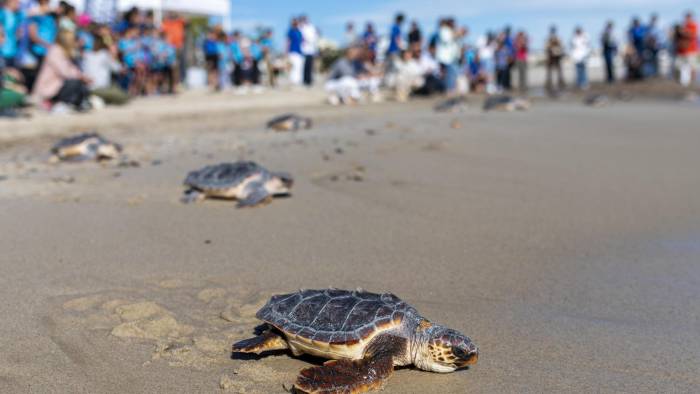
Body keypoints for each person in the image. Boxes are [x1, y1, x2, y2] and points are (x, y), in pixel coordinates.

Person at [33, 29, 91, 112]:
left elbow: (72, 69)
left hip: (58, 86)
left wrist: (83, 77)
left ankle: (78, 103)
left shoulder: (65, 52)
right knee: (74, 82)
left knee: (81, 83)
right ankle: (60, 104)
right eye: (75, 40)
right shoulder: (55, 51)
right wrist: (81, 77)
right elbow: (65, 72)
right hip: (49, 89)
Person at [82, 33, 128, 105]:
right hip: (100, 88)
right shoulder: (104, 54)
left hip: (88, 87)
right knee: (124, 97)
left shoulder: (87, 54)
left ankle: (99, 99)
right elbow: (118, 69)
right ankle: (100, 99)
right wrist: (114, 56)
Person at [436, 18, 459, 94]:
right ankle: (448, 90)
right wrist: (457, 34)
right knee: (448, 74)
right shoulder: (444, 30)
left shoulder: (449, 31)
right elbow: (447, 40)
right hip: (446, 57)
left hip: (450, 57)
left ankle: (449, 89)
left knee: (450, 74)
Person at [1, 0, 23, 69]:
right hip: (3, 52)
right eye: (16, 2)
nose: (18, 4)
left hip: (12, 51)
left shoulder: (17, 15)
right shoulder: (2, 14)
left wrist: (18, 33)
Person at [677, 11, 698, 86]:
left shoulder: (693, 25)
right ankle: (684, 83)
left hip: (691, 50)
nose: (687, 19)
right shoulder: (683, 26)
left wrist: (684, 31)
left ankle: (693, 83)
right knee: (681, 67)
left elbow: (693, 35)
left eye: (688, 17)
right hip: (682, 51)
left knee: (692, 66)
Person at [299, 15, 318, 87]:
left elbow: (314, 37)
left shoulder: (311, 27)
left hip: (311, 50)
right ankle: (304, 80)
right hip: (304, 50)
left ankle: (309, 81)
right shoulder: (301, 27)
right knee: (304, 66)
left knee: (310, 66)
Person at [545, 25, 565, 93]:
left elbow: (561, 46)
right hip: (550, 57)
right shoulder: (548, 38)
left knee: (559, 71)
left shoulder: (558, 38)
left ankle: (560, 82)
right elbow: (546, 47)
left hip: (557, 57)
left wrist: (558, 48)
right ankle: (549, 83)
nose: (553, 32)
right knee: (549, 71)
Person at [287, 18, 304, 86]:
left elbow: (302, 41)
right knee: (293, 67)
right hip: (292, 51)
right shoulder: (290, 31)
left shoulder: (299, 31)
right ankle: (293, 81)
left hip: (299, 52)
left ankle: (298, 81)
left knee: (299, 66)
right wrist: (286, 51)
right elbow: (288, 41)